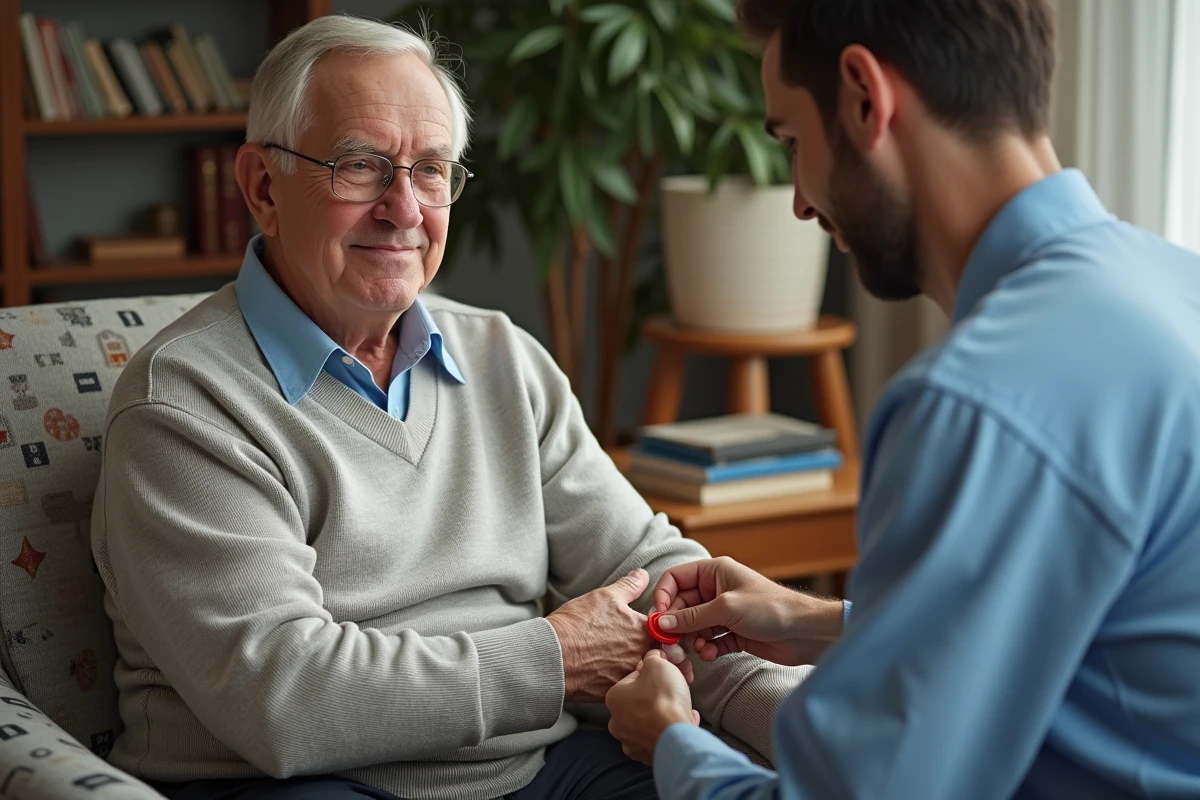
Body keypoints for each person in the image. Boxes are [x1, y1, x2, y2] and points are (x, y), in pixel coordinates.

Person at [89, 15, 805, 800]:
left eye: (430, 170)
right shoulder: (184, 404)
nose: (404, 210)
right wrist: (555, 659)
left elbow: (647, 576)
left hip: (538, 770)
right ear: (263, 186)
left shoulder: (503, 356)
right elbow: (284, 699)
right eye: (361, 166)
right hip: (302, 782)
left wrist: (816, 722)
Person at [603, 0, 1200, 798]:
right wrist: (817, 622)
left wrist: (671, 740)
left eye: (792, 141)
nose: (800, 201)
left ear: (863, 97)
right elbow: (1090, 637)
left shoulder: (976, 402)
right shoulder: (1176, 287)